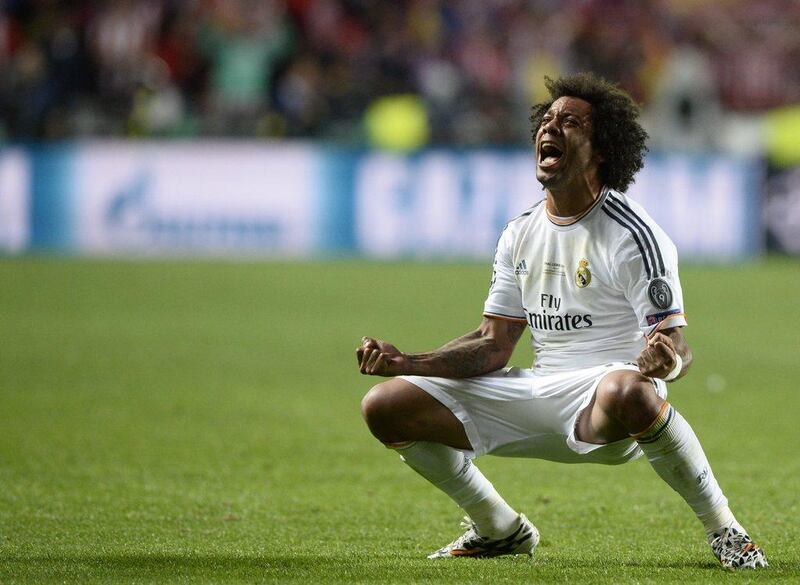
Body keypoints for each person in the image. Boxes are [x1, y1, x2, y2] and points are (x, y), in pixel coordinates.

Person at [356, 73, 767, 570]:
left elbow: (675, 345)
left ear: (599, 149)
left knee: (629, 390)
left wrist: (667, 366)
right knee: (385, 404)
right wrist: (408, 361)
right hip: (535, 391)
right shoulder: (520, 232)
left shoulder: (633, 234)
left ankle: (728, 532)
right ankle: (498, 528)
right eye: (547, 119)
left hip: (604, 401)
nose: (550, 128)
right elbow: (493, 345)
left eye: (569, 122)